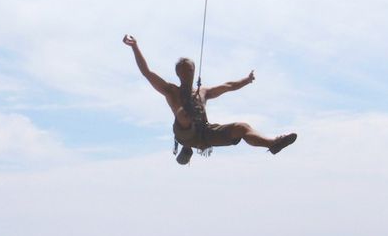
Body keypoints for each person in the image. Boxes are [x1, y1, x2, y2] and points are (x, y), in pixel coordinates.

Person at [123, 34, 297, 165]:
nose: (187, 73)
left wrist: (246, 80)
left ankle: (273, 143)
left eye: (190, 70)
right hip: (184, 133)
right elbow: (147, 72)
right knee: (184, 113)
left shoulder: (203, 92)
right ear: (177, 74)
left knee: (242, 128)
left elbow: (228, 86)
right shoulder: (170, 91)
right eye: (183, 70)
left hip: (205, 134)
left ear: (194, 72)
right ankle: (186, 147)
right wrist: (135, 47)